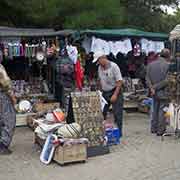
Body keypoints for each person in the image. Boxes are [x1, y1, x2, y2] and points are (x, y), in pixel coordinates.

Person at [93, 51, 124, 134]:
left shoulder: (114, 66)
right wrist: (99, 91)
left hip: (115, 91)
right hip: (105, 92)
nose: (98, 63)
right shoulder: (99, 67)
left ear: (103, 58)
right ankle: (102, 131)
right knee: (102, 112)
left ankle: (118, 133)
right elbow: (100, 80)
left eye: (98, 61)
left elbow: (119, 81)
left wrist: (115, 95)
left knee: (117, 113)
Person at [146, 49, 170, 136]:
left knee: (154, 110)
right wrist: (155, 87)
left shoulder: (150, 65)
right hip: (164, 92)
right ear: (168, 56)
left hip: (153, 93)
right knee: (162, 111)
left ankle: (153, 128)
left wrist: (152, 88)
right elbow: (167, 81)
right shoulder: (168, 66)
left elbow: (147, 78)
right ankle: (160, 130)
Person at [0, 64, 16, 155]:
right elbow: (5, 83)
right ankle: (3, 144)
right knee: (9, 119)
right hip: (2, 95)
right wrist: (12, 96)